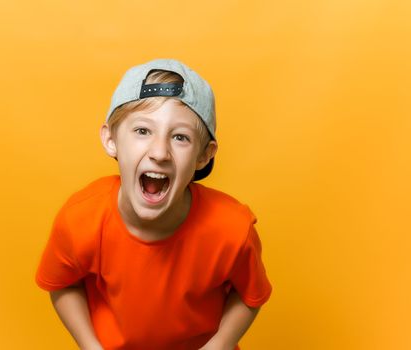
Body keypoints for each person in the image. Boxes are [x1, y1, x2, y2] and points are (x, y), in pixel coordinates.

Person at [35, 58, 272, 350]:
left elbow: (250, 294)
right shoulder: (80, 219)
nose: (160, 152)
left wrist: (220, 344)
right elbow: (63, 284)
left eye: (180, 137)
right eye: (143, 131)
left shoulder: (232, 229)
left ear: (204, 156)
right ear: (111, 139)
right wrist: (91, 346)